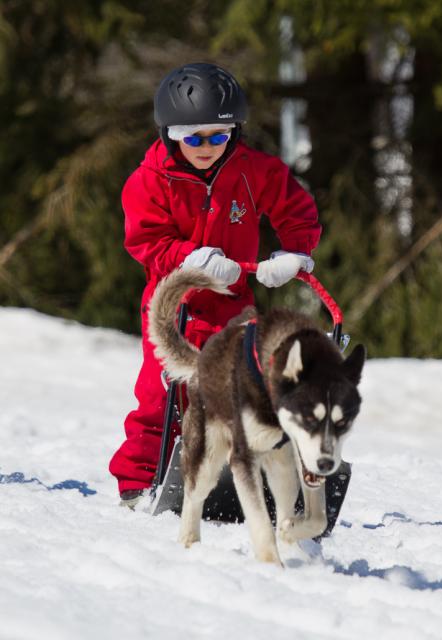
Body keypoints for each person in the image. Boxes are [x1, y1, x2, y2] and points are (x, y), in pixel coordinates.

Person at [109, 62, 321, 507]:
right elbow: (146, 242)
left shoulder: (252, 170)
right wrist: (190, 260)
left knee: (242, 392)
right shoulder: (150, 180)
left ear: (234, 133)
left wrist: (294, 254)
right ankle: (140, 481)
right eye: (194, 138)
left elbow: (296, 210)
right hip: (173, 307)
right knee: (161, 393)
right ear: (170, 134)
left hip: (233, 308)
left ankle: (240, 478)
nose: (206, 148)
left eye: (218, 136)